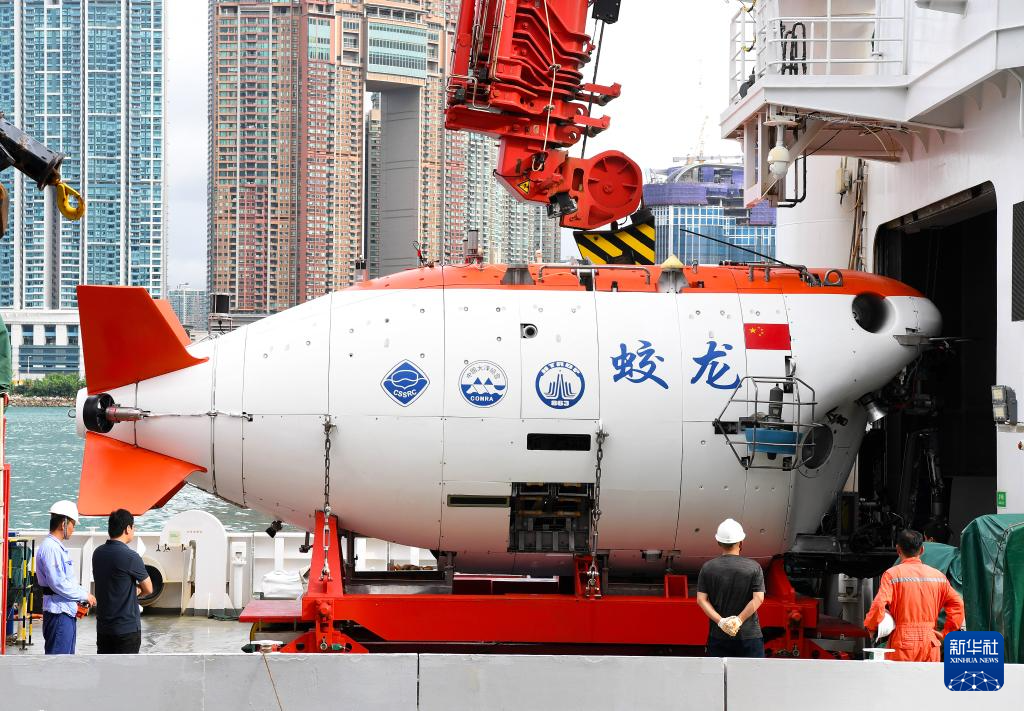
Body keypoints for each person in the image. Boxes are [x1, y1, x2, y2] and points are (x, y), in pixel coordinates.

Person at [864, 528, 964, 662]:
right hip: (930, 642)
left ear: (898, 549)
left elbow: (878, 604)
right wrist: (946, 633)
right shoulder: (938, 576)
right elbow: (958, 605)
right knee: (928, 677)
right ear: (922, 550)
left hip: (902, 643)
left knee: (900, 676)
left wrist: (872, 627)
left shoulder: (892, 575)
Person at [696, 518, 766, 657]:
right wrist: (738, 620)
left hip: (718, 636)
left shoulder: (708, 568)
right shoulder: (754, 567)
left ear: (718, 542)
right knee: (753, 671)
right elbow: (758, 598)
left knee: (718, 671)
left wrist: (721, 622)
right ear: (741, 542)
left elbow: (701, 600)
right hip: (749, 636)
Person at [34, 500, 96, 654]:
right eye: (73, 525)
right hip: (58, 614)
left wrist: (82, 594)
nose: (73, 529)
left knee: (67, 660)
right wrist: (84, 595)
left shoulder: (55, 547)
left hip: (65, 611)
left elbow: (66, 581)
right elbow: (58, 583)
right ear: (64, 524)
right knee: (59, 662)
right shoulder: (51, 548)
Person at [92, 509, 152, 654]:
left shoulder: (97, 553)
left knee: (105, 667)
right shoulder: (131, 556)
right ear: (127, 528)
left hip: (103, 628)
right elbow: (149, 589)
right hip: (126, 629)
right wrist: (136, 591)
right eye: (133, 527)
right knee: (127, 668)